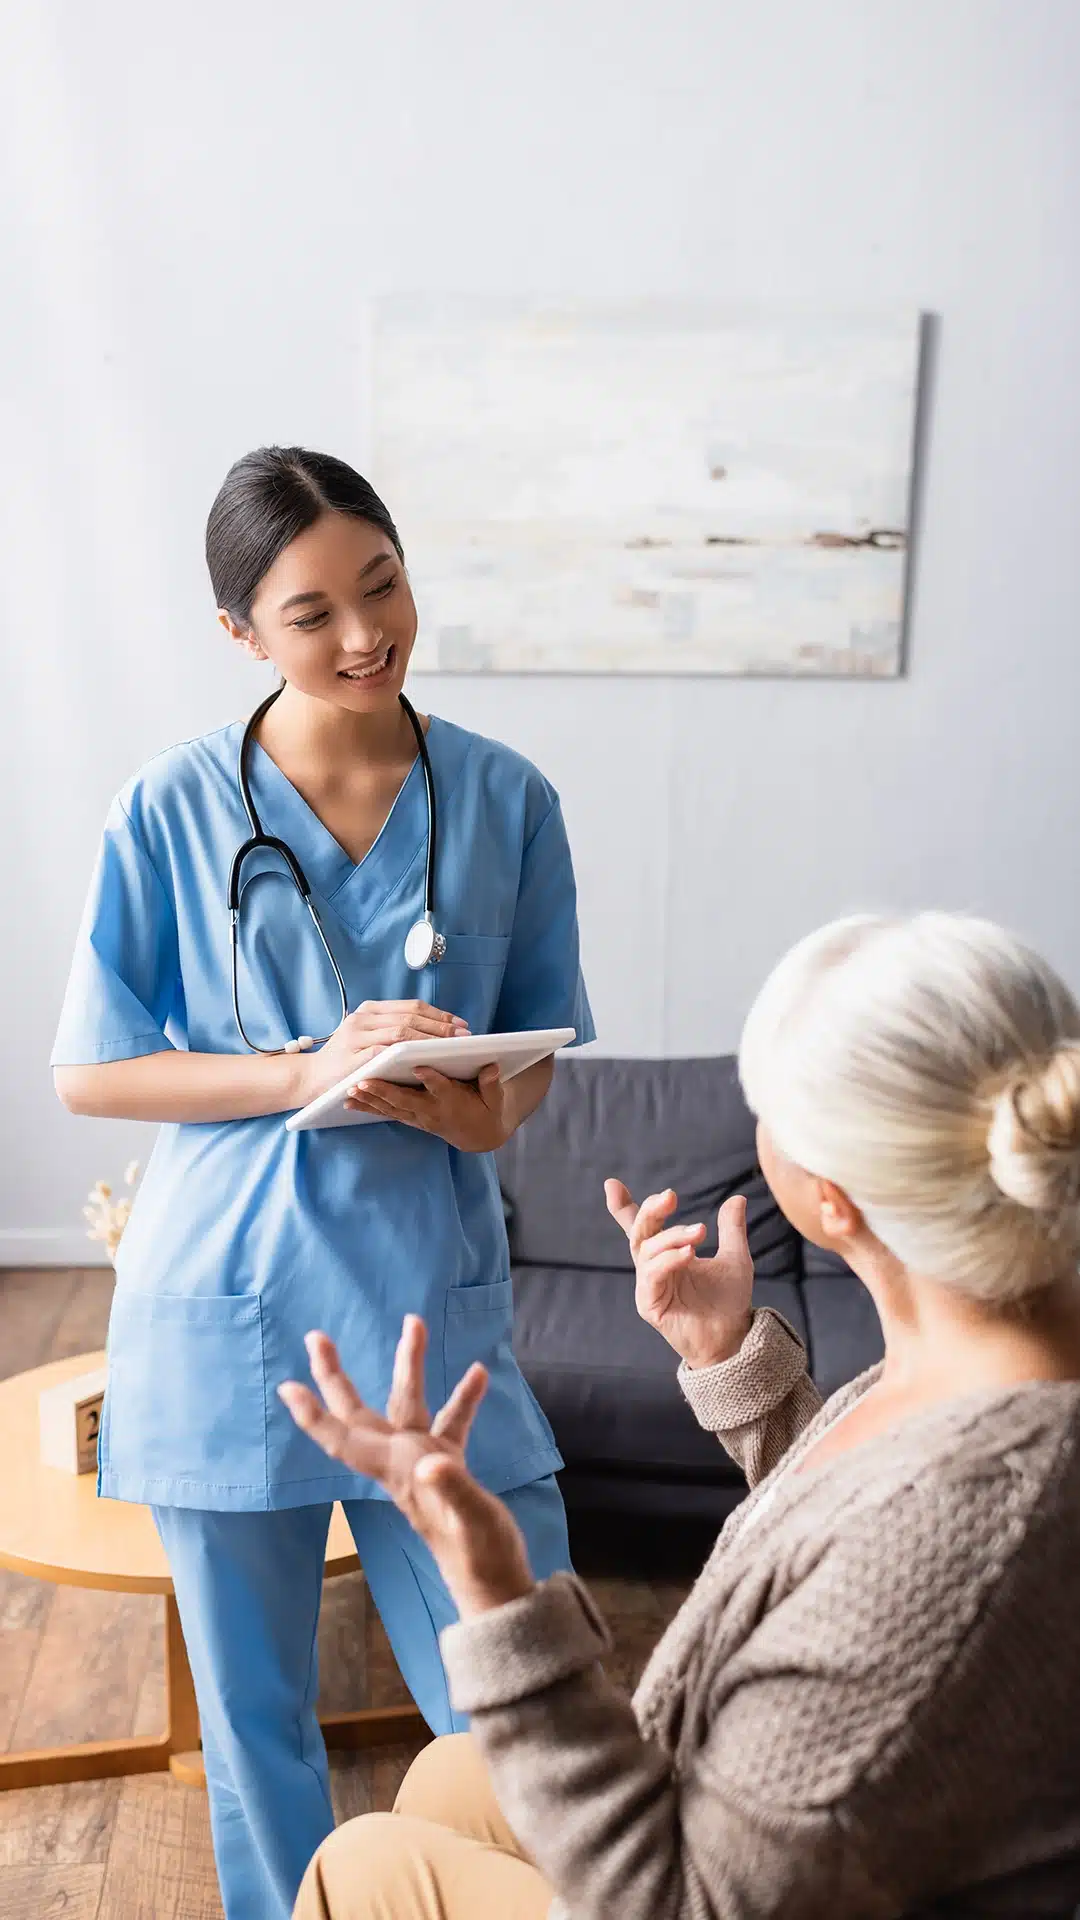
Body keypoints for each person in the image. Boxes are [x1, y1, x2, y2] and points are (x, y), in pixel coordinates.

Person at [282, 912, 1080, 1919]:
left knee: (370, 1867)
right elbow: (866, 1520)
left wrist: (493, 1588)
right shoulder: (988, 1359)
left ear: (830, 1202)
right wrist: (730, 1356)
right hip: (858, 1830)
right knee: (451, 1773)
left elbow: (680, 1901)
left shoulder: (968, 1534)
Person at [51, 446, 594, 1920]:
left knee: (534, 1712)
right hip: (229, 1308)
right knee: (257, 1737)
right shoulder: (167, 810)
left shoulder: (505, 799)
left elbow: (540, 1044)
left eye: (384, 584)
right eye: (311, 614)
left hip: (431, 1306)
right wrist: (302, 1071)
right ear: (241, 635)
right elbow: (92, 1074)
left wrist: (494, 1120)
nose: (365, 635)